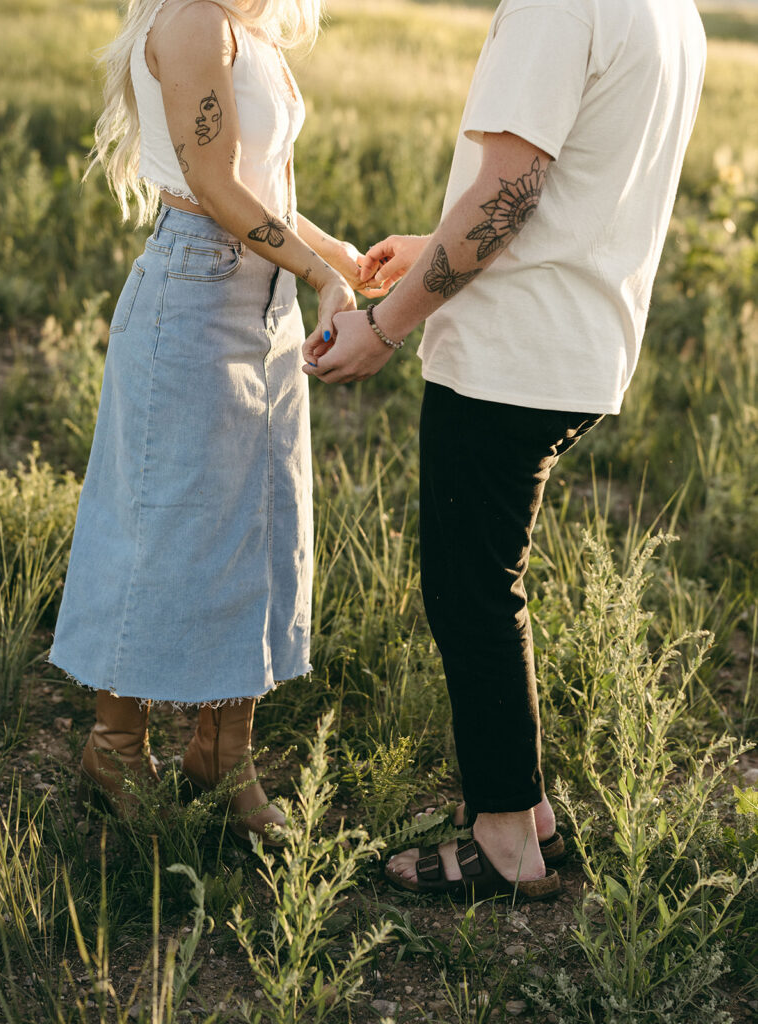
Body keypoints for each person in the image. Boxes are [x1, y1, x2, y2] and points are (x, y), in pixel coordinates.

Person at [304, 0, 706, 899]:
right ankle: (527, 818)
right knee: (490, 583)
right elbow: (567, 188)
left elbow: (509, 195)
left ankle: (502, 845)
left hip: (508, 356)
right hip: (578, 345)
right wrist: (430, 250)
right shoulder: (669, 10)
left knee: (470, 594)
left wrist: (385, 325)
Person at [49, 0, 366, 844]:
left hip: (262, 297)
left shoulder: (246, 27)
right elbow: (215, 188)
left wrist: (339, 260)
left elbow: (260, 193)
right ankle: (114, 747)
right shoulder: (192, 20)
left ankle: (221, 760)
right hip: (194, 296)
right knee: (158, 521)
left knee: (250, 524)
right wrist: (316, 272)